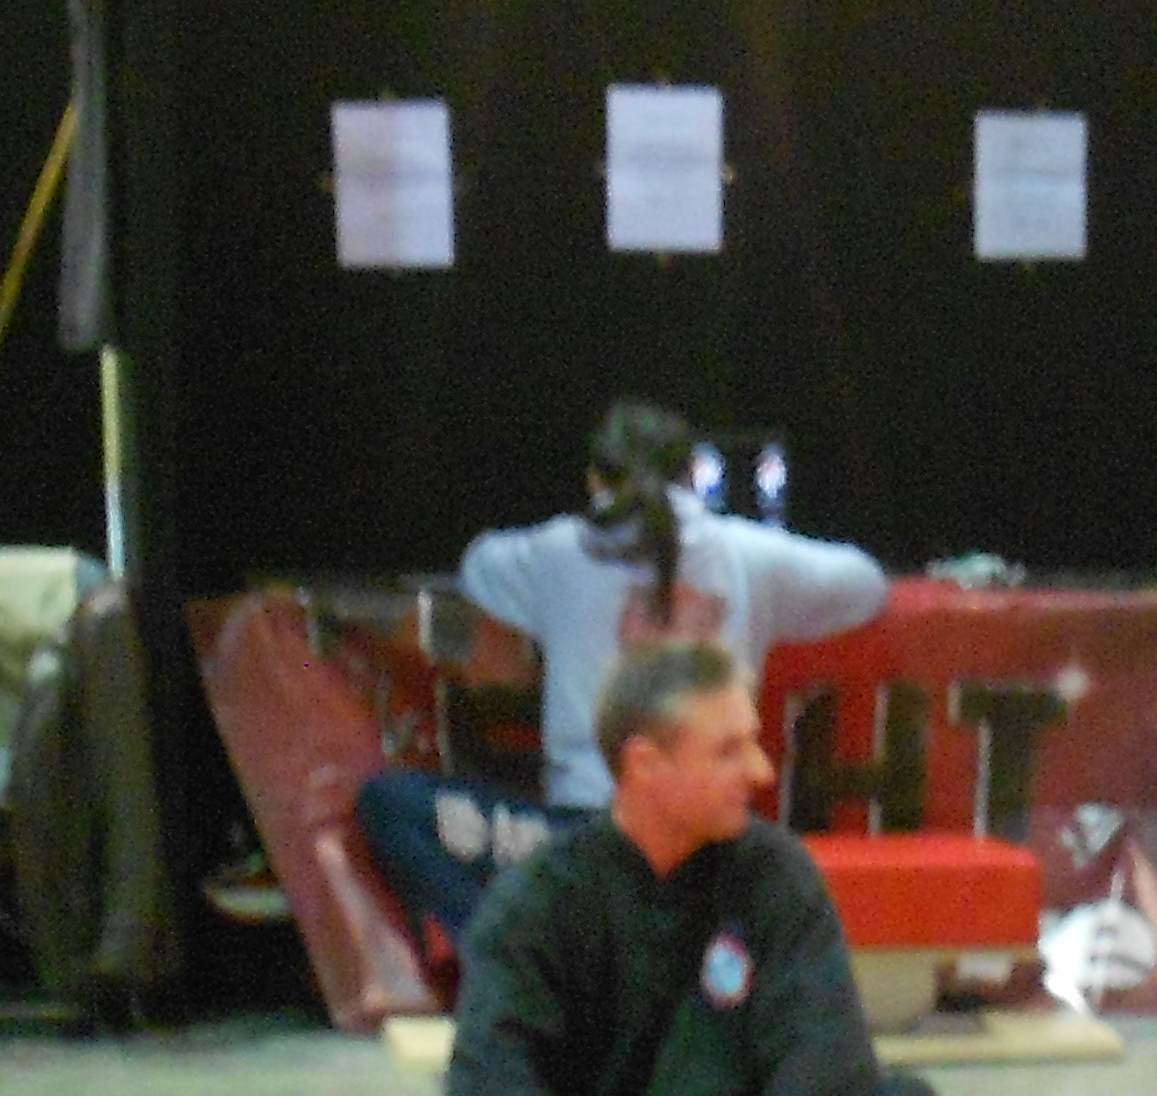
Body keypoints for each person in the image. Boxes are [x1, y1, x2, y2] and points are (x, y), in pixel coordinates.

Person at [358, 641, 946, 1096]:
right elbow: (491, 1078)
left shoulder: (776, 876)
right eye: (728, 751)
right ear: (644, 764)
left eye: (753, 744)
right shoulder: (542, 897)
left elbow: (826, 1061)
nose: (760, 771)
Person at [355, 399, 890, 943]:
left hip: (585, 838)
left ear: (595, 480)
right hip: (709, 850)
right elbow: (866, 583)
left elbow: (478, 564)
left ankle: (511, 954)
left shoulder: (561, 551)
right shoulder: (747, 554)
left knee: (389, 802)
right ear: (692, 474)